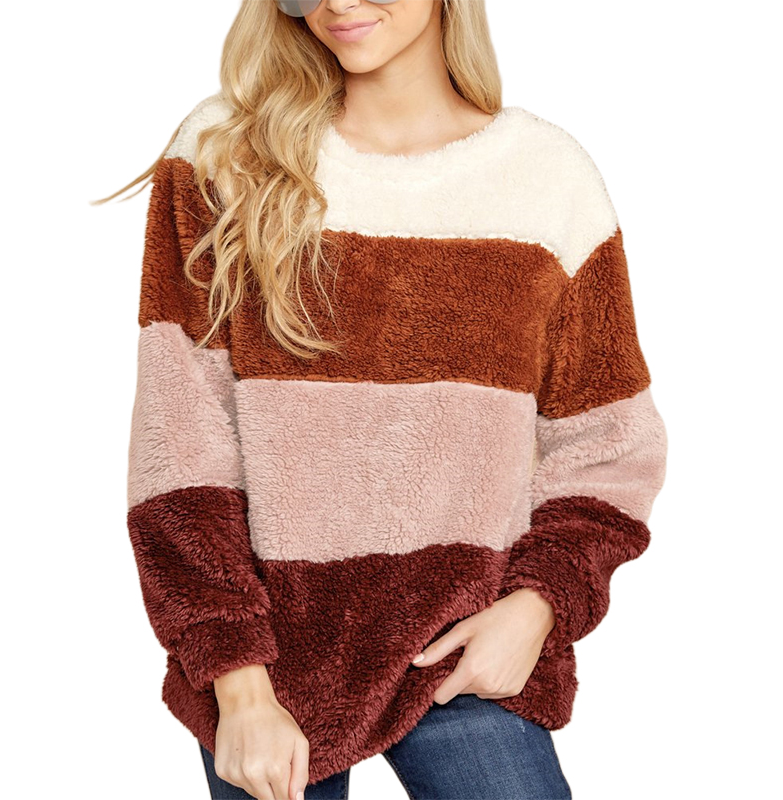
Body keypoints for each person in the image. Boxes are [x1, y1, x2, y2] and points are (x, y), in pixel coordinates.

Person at [98, 1, 668, 798]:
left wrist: (536, 608)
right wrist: (239, 683)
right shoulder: (225, 155)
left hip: (464, 642)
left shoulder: (546, 179)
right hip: (268, 660)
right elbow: (181, 447)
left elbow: (610, 446)